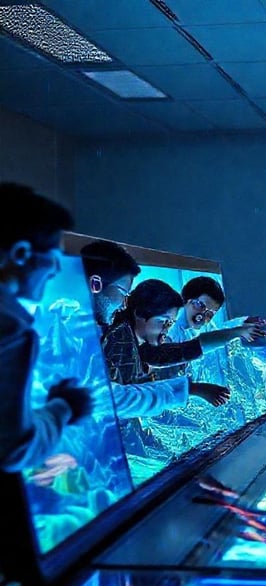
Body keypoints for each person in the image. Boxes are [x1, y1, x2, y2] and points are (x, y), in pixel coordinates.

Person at [0, 183, 92, 472]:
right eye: (53, 258)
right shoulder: (11, 328)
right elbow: (13, 449)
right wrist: (65, 407)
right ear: (21, 254)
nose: (55, 270)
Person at [80, 240, 228, 413]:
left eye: (170, 323)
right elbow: (112, 397)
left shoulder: (130, 341)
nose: (122, 305)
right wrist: (189, 389)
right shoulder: (119, 338)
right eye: (164, 322)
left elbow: (172, 353)